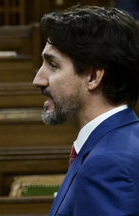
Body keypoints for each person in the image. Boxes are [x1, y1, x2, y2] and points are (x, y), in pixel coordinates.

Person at [33, 5, 139, 216]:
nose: (38, 80)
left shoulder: (105, 165)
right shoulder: (127, 139)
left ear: (93, 77)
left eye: (53, 65)